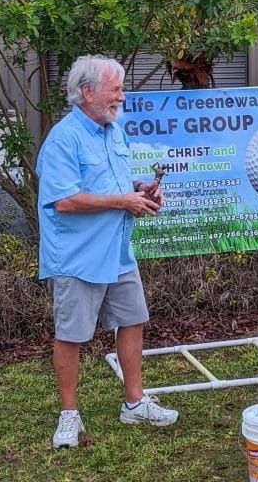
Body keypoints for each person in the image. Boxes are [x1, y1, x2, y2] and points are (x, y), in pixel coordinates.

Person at [36, 55, 179, 450]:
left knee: (132, 319)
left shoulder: (114, 131)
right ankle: (69, 415)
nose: (122, 96)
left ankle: (134, 403)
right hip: (78, 256)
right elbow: (63, 200)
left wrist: (141, 189)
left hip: (116, 249)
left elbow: (110, 181)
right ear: (87, 93)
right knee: (71, 335)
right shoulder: (63, 139)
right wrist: (123, 201)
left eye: (120, 89)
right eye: (115, 89)